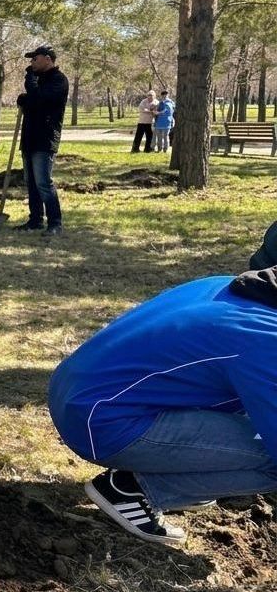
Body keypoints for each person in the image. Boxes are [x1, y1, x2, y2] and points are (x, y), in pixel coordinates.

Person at [49, 270, 277, 545]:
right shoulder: (265, 341)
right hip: (101, 422)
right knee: (270, 460)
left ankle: (181, 474)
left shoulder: (241, 288)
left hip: (75, 391)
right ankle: (134, 489)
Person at [14, 45, 69, 235]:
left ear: (47, 59)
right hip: (29, 137)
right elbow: (33, 101)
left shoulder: (58, 80)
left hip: (45, 139)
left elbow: (39, 99)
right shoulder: (39, 80)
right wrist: (25, 99)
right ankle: (35, 220)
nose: (31, 63)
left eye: (35, 59)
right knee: (31, 183)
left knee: (44, 183)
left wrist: (29, 81)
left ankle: (55, 223)